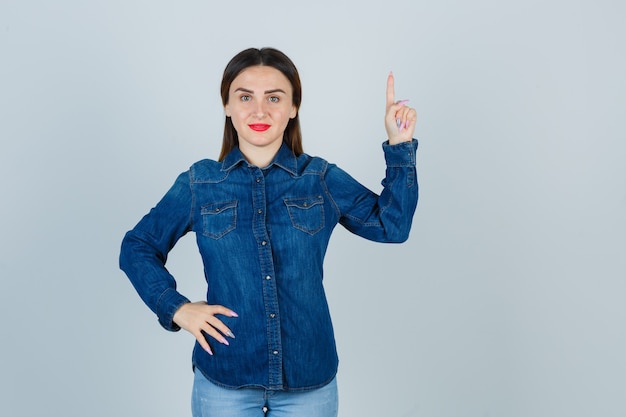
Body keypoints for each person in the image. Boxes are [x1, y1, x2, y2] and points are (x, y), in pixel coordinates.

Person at [119, 47, 419, 417]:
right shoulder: (201, 182)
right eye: (245, 97)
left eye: (274, 98)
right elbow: (137, 246)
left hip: (309, 380)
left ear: (293, 107)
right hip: (224, 380)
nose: (259, 111)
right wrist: (176, 308)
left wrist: (400, 146)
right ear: (227, 106)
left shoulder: (319, 179)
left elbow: (392, 226)